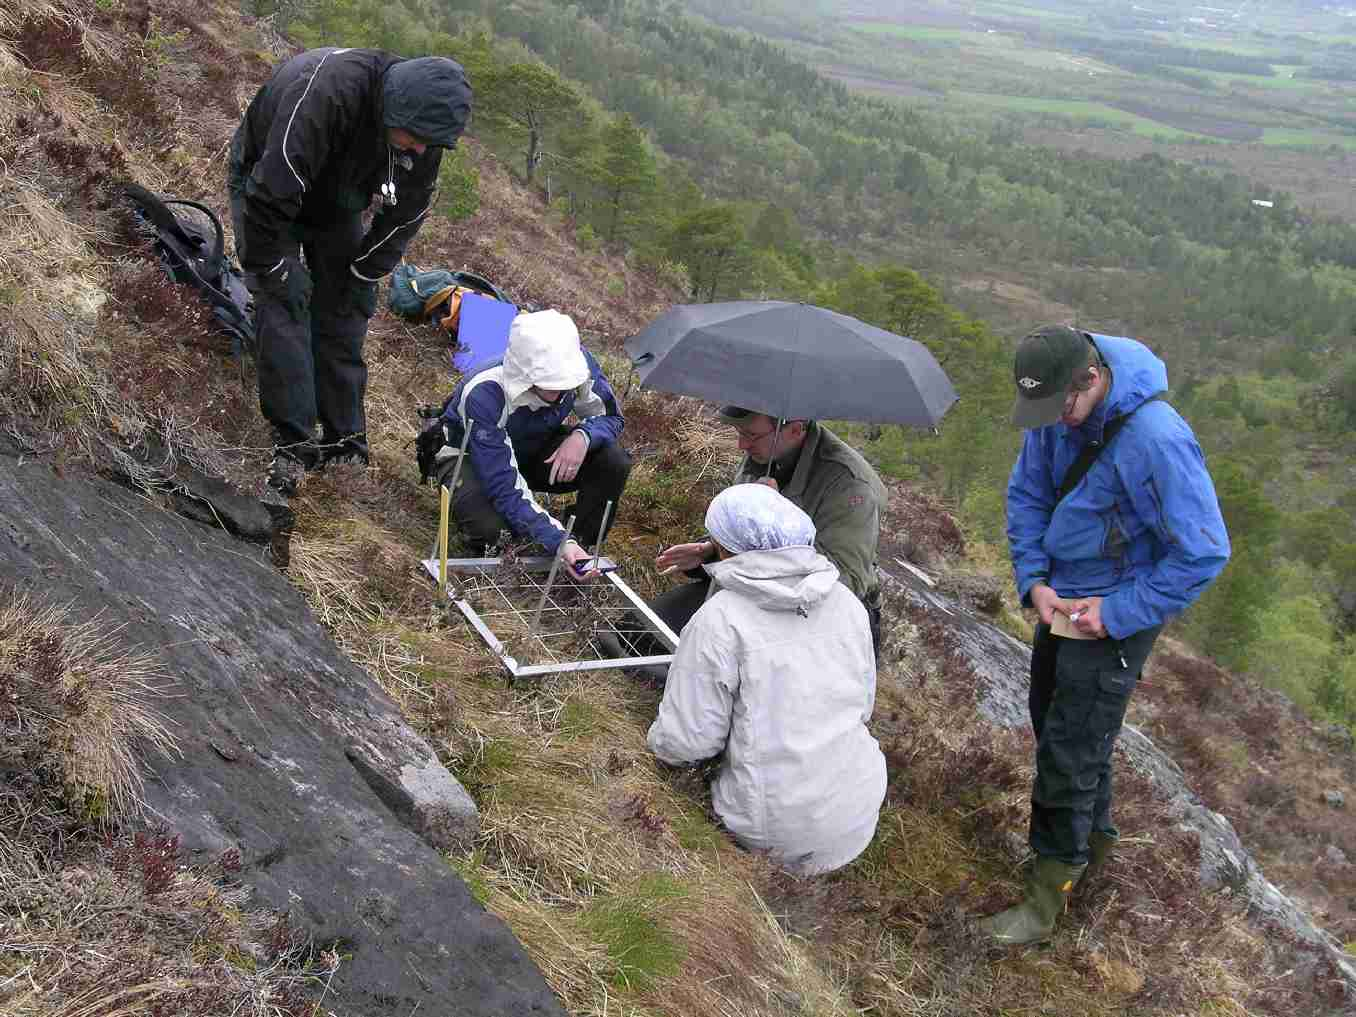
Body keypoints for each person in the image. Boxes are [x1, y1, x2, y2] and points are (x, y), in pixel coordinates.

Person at [983, 324, 1230, 946]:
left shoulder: (1159, 440)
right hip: (1060, 601)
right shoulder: (1053, 408)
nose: (1055, 421)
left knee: (1071, 748)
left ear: (1091, 379)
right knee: (1057, 726)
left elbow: (1202, 552)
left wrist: (1116, 613)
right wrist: (1034, 580)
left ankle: (1046, 900)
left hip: (1118, 616)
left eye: (1063, 406)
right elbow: (1028, 495)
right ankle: (1091, 854)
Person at [228, 47, 472, 500]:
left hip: (337, 199)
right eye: (415, 137)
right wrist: (277, 265)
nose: (420, 149)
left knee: (344, 309)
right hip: (266, 183)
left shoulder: (424, 133)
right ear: (393, 108)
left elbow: (405, 216)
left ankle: (344, 440)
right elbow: (270, 188)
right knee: (284, 301)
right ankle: (294, 439)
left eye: (429, 143)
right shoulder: (328, 92)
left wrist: (363, 274)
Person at [647, 483, 886, 875]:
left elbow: (685, 742)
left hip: (770, 829)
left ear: (723, 547)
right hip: (857, 813)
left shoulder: (720, 619)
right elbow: (863, 707)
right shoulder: (847, 603)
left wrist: (651, 740)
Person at [651, 407, 888, 651]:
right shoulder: (767, 450)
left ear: (795, 429)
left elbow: (843, 583)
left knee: (732, 671)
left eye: (751, 435)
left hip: (816, 617)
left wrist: (777, 520)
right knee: (647, 631)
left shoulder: (851, 486)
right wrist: (711, 551)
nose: (742, 444)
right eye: (739, 432)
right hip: (753, 586)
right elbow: (745, 531)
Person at [424, 309, 631, 575]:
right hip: (472, 457)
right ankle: (555, 541)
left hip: (532, 448)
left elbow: (611, 417)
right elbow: (502, 483)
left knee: (612, 461)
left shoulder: (580, 366)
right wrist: (557, 539)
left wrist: (583, 436)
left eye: (565, 383)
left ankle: (579, 549)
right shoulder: (485, 392)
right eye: (551, 383)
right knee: (495, 534)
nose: (560, 393)